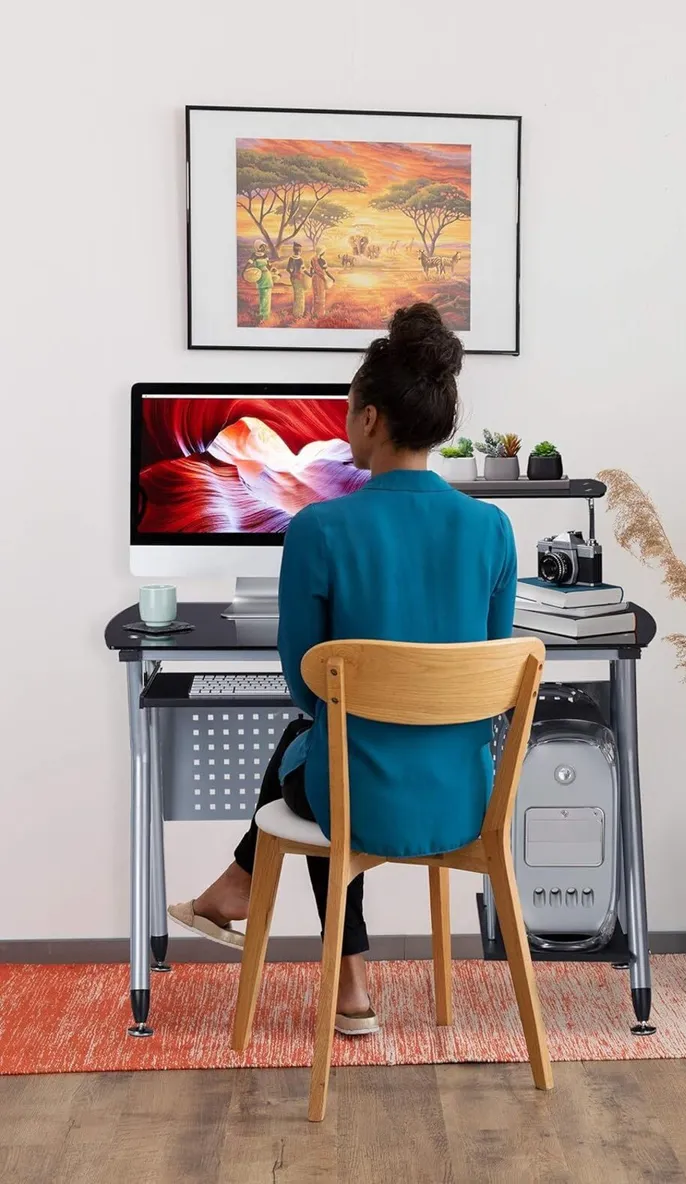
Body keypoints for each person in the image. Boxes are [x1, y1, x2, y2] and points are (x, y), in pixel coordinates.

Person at [168, 303, 517, 1035]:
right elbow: (492, 679)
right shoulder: (493, 529)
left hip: (360, 803)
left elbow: (305, 683)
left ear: (369, 420)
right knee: (322, 744)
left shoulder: (319, 529)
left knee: (316, 743)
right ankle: (267, 917)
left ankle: (313, 947)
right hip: (465, 802)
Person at [250, 243, 275, 324]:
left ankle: (266, 316)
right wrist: (245, 274)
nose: (263, 248)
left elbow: (269, 266)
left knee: (267, 296)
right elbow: (249, 265)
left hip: (267, 276)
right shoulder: (254, 255)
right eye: (261, 246)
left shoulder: (265, 255)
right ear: (257, 247)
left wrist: (276, 271)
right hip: (260, 277)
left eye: (264, 247)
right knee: (262, 296)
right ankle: (262, 315)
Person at [309, 247, 334, 318]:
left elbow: (311, 270)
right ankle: (320, 314)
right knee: (321, 296)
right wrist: (332, 278)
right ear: (322, 252)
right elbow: (326, 272)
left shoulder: (312, 259)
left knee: (315, 295)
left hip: (314, 279)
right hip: (320, 280)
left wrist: (312, 275)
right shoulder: (323, 261)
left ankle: (314, 313)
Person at [286, 241, 307, 319]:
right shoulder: (293, 259)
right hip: (296, 278)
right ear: (297, 251)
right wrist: (294, 274)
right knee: (299, 295)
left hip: (298, 278)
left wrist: (308, 275)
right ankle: (298, 314)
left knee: (299, 295)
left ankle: (299, 313)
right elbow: (288, 269)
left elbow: (303, 269)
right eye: (299, 250)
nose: (300, 251)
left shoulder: (298, 259)